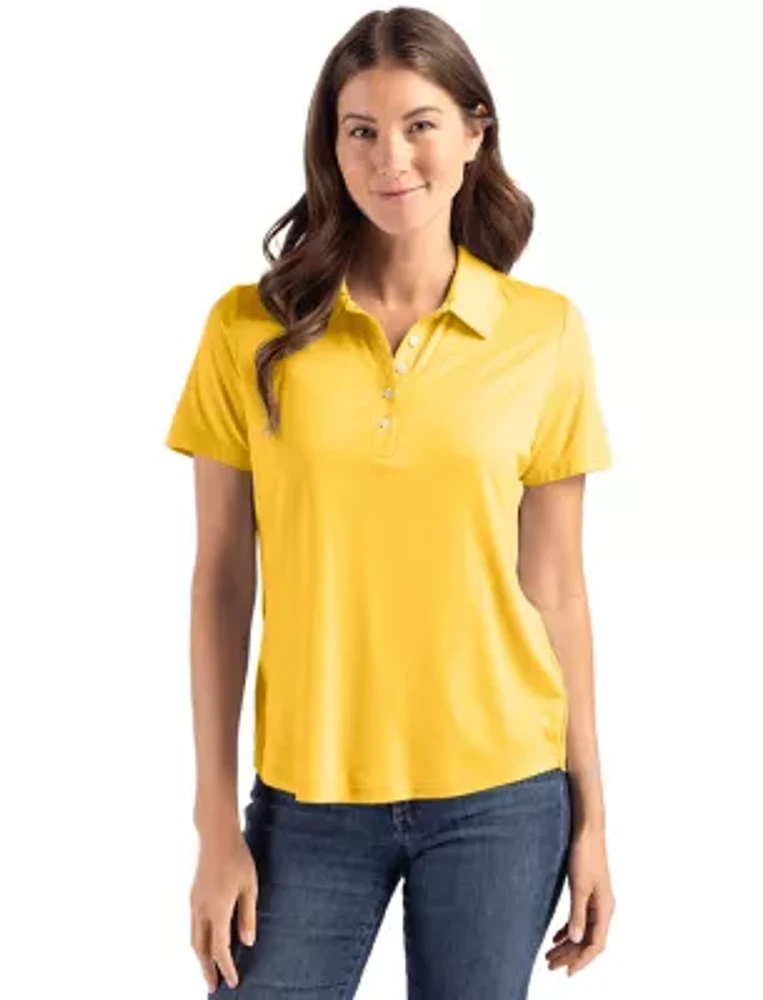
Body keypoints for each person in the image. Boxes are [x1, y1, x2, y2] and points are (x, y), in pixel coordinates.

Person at [164, 7, 616, 997]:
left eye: (419, 125)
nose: (390, 158)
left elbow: (558, 588)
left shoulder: (542, 335)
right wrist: (213, 823)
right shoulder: (248, 331)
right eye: (360, 130)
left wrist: (592, 820)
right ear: (330, 148)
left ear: (474, 133)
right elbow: (220, 583)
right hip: (308, 797)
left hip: (503, 794)